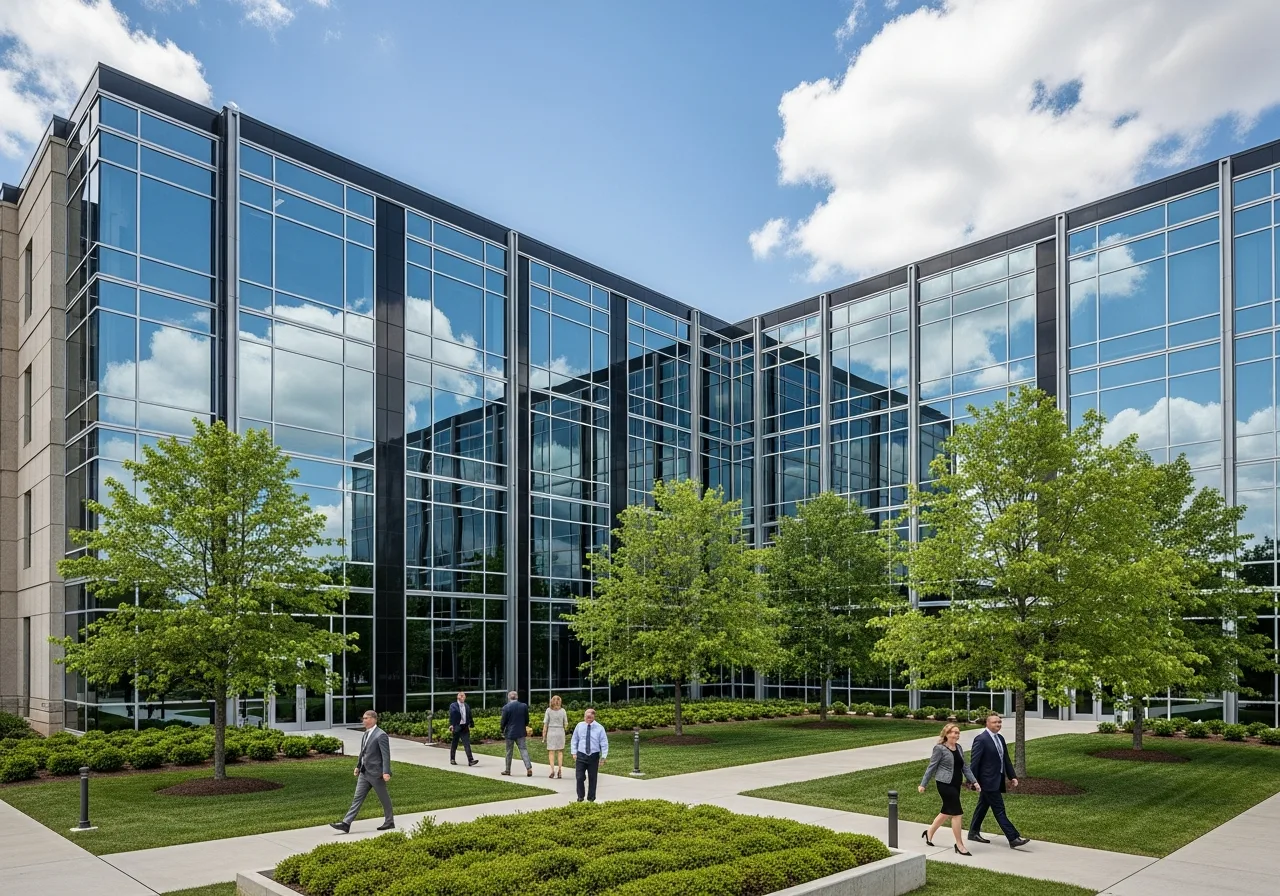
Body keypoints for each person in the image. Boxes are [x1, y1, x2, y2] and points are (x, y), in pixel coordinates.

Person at [968, 713, 1030, 849]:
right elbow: (974, 763)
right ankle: (1013, 838)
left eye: (999, 722)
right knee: (999, 809)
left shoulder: (1000, 738)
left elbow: (1005, 759)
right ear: (987, 724)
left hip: (997, 779)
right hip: (987, 781)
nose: (998, 725)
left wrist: (1012, 776)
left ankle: (973, 832)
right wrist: (972, 781)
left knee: (983, 806)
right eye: (995, 722)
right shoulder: (981, 739)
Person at [918, 722, 977, 855]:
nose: (956, 734)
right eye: (954, 732)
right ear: (947, 734)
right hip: (944, 784)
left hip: (956, 783)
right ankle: (959, 844)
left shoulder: (959, 748)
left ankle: (929, 832)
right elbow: (931, 767)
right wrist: (923, 784)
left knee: (947, 811)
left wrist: (974, 781)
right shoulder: (939, 749)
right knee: (957, 813)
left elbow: (965, 767)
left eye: (958, 732)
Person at [331, 710, 393, 833]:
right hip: (364, 773)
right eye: (363, 718)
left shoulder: (381, 735)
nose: (363, 720)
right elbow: (363, 752)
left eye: (366, 718)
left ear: (373, 719)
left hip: (376, 774)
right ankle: (346, 823)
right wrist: (358, 766)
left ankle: (389, 821)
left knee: (384, 798)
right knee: (357, 798)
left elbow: (386, 755)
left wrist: (386, 771)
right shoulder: (366, 734)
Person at [570, 706, 609, 802]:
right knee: (579, 777)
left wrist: (603, 757)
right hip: (581, 754)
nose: (588, 719)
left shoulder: (600, 728)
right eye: (586, 717)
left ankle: (591, 798)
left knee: (593, 778)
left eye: (590, 717)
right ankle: (580, 796)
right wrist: (574, 752)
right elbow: (574, 739)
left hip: (593, 756)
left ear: (593, 717)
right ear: (584, 717)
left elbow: (604, 743)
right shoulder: (579, 726)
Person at [499, 690, 532, 777]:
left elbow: (503, 721)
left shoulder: (506, 707)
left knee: (509, 751)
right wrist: (524, 725)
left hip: (510, 733)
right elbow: (526, 719)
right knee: (523, 750)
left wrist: (502, 729)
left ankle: (507, 770)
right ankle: (529, 768)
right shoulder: (524, 706)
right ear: (517, 697)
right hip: (521, 732)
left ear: (509, 697)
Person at [448, 691, 480, 767]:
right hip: (457, 726)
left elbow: (469, 715)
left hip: (465, 727)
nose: (463, 697)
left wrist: (471, 724)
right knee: (454, 744)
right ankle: (452, 759)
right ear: (458, 697)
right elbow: (452, 715)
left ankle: (470, 760)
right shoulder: (453, 705)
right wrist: (451, 725)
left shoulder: (466, 705)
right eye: (461, 696)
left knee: (467, 744)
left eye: (464, 696)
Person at [543, 695, 568, 779]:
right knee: (560, 752)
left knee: (551, 752)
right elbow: (566, 723)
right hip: (560, 731)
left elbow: (545, 724)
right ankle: (560, 770)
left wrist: (544, 736)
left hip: (551, 731)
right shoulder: (563, 711)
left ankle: (552, 770)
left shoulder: (548, 710)